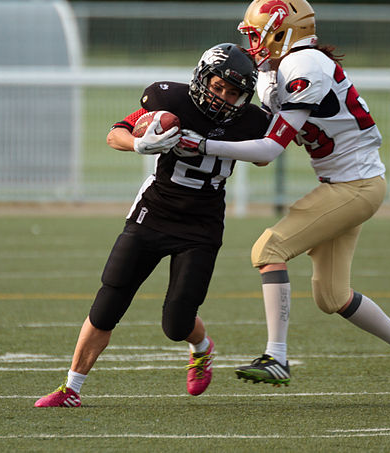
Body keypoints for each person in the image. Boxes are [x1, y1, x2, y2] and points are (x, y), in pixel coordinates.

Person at [177, 0, 390, 405]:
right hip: (348, 184)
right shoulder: (282, 69)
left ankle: (276, 356)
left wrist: (203, 145)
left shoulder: (305, 65)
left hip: (354, 186)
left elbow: (269, 150)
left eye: (259, 36)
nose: (254, 46)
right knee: (331, 296)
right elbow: (263, 138)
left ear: (284, 32)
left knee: (269, 248)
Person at [35, 43, 270, 407]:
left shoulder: (251, 120)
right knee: (110, 298)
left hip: (202, 225)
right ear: (201, 78)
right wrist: (138, 145)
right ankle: (71, 389)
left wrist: (214, 144)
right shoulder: (169, 99)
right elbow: (116, 132)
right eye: (218, 86)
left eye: (233, 91)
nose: (223, 96)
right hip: (154, 211)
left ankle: (202, 347)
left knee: (176, 323)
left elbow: (264, 160)